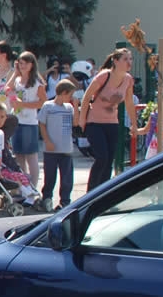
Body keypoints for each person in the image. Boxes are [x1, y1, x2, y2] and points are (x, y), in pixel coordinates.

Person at [78, 48, 135, 191]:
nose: (129, 62)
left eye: (130, 59)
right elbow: (86, 97)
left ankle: (103, 192)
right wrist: (81, 120)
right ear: (115, 61)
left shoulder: (128, 79)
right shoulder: (104, 76)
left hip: (112, 123)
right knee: (101, 157)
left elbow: (129, 102)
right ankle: (91, 191)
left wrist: (134, 123)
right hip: (94, 123)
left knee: (109, 160)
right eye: (125, 59)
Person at [5, 51, 46, 189]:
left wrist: (23, 104)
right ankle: (23, 186)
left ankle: (33, 187)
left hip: (29, 123)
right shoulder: (17, 79)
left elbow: (42, 102)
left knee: (31, 156)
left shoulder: (37, 82)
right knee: (19, 155)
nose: (22, 66)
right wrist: (15, 73)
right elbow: (7, 88)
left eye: (25, 63)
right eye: (20, 63)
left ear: (32, 64)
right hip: (16, 121)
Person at [39, 79, 76, 211]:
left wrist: (76, 106)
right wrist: (47, 141)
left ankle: (65, 200)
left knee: (66, 177)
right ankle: (47, 198)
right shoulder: (48, 106)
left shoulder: (69, 107)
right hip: (51, 149)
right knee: (50, 176)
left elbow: (75, 123)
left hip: (66, 148)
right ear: (63, 93)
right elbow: (42, 124)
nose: (71, 98)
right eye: (70, 95)